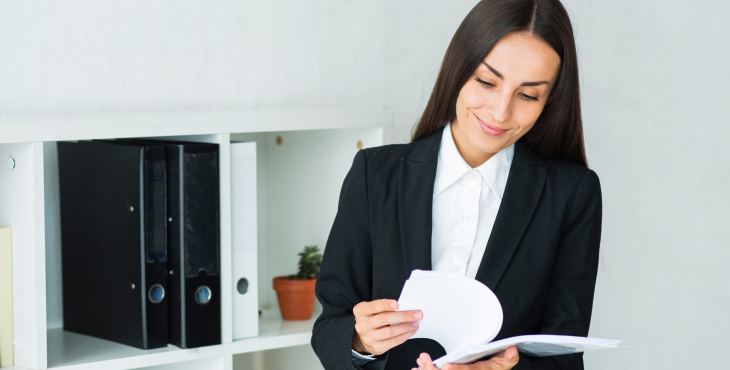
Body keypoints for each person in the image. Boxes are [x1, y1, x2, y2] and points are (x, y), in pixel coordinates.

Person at [311, 0, 601, 369]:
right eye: (486, 81)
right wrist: (361, 340)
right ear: (459, 69)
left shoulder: (572, 195)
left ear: (550, 101)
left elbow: (563, 357)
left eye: (528, 95)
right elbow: (329, 330)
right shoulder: (375, 175)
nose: (500, 112)